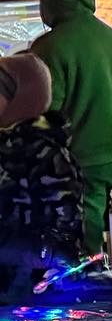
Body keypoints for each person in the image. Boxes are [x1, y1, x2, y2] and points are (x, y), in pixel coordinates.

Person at [26, 0, 112, 253]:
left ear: (50, 0)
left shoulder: (50, 46)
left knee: (86, 241)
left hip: (87, 156)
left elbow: (45, 108)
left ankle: (89, 292)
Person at [0, 53, 84, 299]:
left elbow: (66, 233)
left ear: (20, 98)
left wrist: (45, 254)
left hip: (25, 287)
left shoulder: (47, 154)